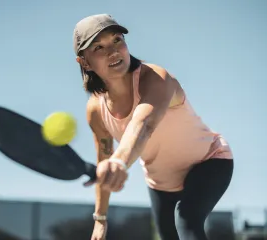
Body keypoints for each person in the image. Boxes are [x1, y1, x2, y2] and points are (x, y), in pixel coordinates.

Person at [73, 14, 234, 240]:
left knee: (187, 219)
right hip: (160, 184)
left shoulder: (156, 77)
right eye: (99, 47)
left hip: (209, 160)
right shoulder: (96, 110)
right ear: (85, 62)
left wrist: (119, 161)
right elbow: (104, 161)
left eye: (117, 40)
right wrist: (100, 218)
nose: (113, 51)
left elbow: (143, 124)